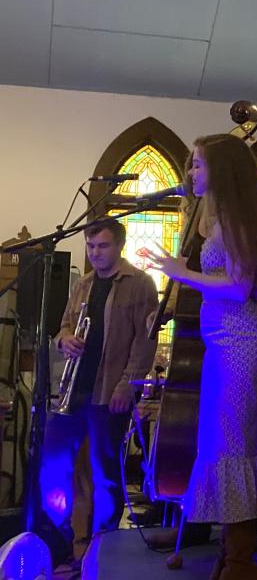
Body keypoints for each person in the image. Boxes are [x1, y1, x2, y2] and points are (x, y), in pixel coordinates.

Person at [145, 134, 257, 580]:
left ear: (222, 170)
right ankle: (232, 555)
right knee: (227, 444)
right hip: (226, 339)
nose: (191, 173)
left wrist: (181, 271)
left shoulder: (237, 218)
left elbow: (240, 287)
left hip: (241, 340)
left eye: (199, 165)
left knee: (234, 445)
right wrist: (182, 267)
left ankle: (240, 564)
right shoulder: (220, 216)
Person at [40, 218, 159, 565]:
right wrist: (64, 339)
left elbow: (144, 341)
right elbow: (64, 324)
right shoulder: (83, 284)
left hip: (110, 391)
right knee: (57, 468)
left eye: (102, 246)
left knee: (104, 472)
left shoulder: (140, 283)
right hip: (74, 389)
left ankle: (104, 547)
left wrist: (128, 384)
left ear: (118, 246)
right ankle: (63, 542)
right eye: (90, 247)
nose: (94, 253)